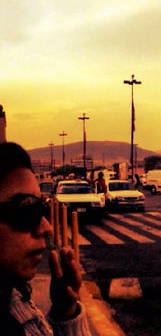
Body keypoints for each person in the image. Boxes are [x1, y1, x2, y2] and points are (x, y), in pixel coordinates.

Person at [1, 142, 90, 335]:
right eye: (26, 210)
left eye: (41, 209)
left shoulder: (15, 298)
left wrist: (65, 311)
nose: (47, 228)